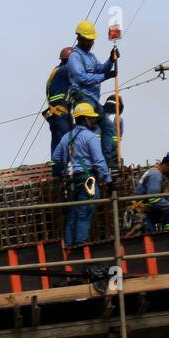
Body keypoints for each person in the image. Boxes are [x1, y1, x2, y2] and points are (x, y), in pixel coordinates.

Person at [51, 103, 112, 248]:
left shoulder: (66, 138)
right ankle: (80, 246)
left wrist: (67, 164)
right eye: (91, 118)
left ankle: (69, 246)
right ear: (84, 119)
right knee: (84, 212)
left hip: (71, 182)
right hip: (87, 181)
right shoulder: (89, 137)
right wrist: (108, 181)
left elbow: (55, 157)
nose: (94, 121)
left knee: (72, 214)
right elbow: (99, 161)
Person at [65, 20, 118, 162]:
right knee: (86, 133)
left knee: (108, 127)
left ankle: (106, 160)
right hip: (83, 100)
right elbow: (81, 77)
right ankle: (85, 161)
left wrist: (111, 60)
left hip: (94, 101)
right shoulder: (75, 57)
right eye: (87, 40)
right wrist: (104, 77)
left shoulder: (91, 57)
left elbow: (100, 69)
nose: (90, 43)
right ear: (79, 38)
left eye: (91, 41)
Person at [135, 150, 169, 234]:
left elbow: (160, 196)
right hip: (141, 214)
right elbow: (153, 199)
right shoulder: (156, 176)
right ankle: (168, 235)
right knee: (152, 239)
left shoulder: (156, 173)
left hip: (146, 211)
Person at [44, 46, 74, 157]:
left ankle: (56, 166)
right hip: (60, 115)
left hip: (54, 115)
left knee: (57, 142)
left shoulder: (56, 71)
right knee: (65, 141)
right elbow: (79, 71)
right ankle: (64, 168)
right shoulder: (64, 70)